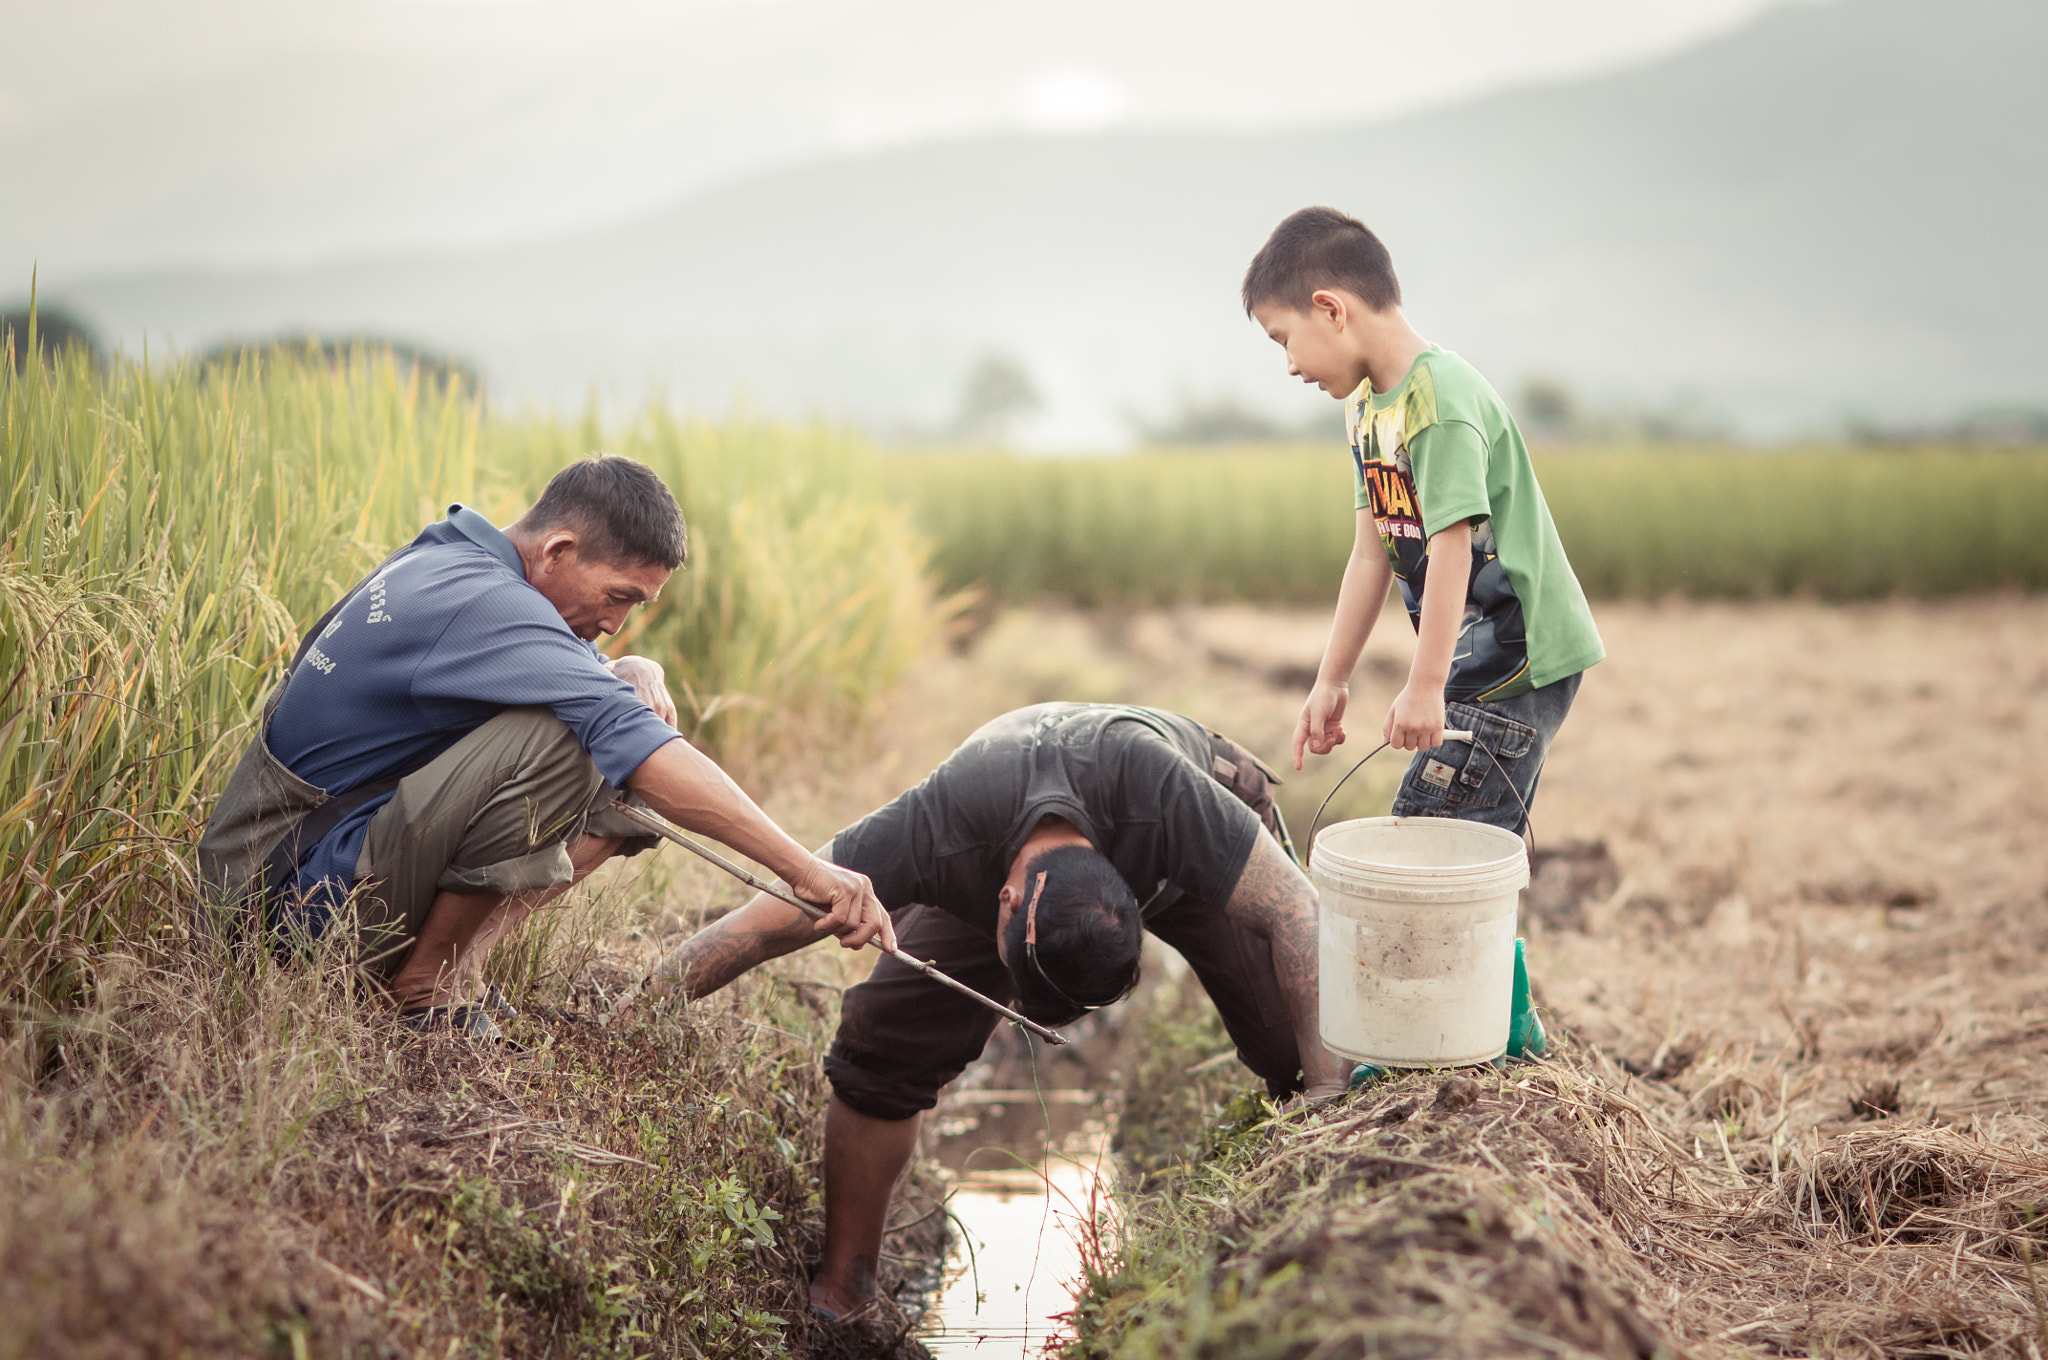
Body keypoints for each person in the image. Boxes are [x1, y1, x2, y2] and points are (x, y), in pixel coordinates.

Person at [636, 702, 1348, 1317]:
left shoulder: (1166, 803)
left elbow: (1297, 911)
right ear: (1002, 904)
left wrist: (1326, 1095)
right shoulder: (943, 826)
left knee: (1298, 1044)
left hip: (1185, 831)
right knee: (886, 1041)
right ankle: (846, 1291)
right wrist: (639, 1009)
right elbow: (766, 921)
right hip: (1000, 847)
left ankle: (1315, 1164)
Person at [196, 454, 893, 1036]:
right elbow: (628, 737)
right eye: (620, 597)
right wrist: (806, 871)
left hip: (299, 864)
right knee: (579, 738)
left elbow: (613, 696)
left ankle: (462, 965)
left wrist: (635, 671)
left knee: (617, 713)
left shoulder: (458, 559)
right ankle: (422, 991)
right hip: (271, 911)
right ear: (558, 551)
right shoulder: (486, 602)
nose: (618, 623)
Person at [1242, 206, 1604, 835]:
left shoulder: (1437, 402)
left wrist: (1425, 686)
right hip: (1479, 654)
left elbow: (1451, 546)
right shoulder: (1365, 409)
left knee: (1429, 842)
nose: (1291, 365)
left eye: (1283, 339)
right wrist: (1331, 680)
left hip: (1517, 658)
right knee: (1461, 851)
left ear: (1331, 309)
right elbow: (1370, 554)